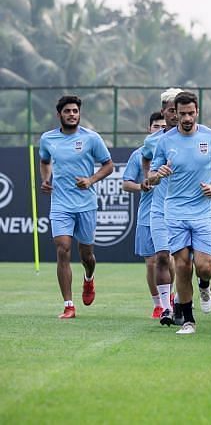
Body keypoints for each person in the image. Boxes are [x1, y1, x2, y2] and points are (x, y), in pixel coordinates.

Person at [150, 91, 211, 334]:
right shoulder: (165, 141)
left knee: (204, 267)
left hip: (202, 212)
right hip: (174, 211)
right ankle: (188, 320)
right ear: (175, 112)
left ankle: (205, 285)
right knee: (182, 265)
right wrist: (158, 175)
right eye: (181, 113)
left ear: (197, 112)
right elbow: (151, 177)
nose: (186, 118)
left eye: (190, 113)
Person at [39, 95, 113, 319]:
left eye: (75, 111)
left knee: (87, 255)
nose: (72, 114)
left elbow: (108, 165)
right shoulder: (48, 138)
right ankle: (69, 305)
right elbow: (44, 161)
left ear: (79, 114)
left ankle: (89, 278)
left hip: (86, 204)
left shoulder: (91, 138)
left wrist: (90, 180)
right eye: (68, 111)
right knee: (63, 249)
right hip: (61, 203)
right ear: (59, 114)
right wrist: (46, 179)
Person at [141, 88, 182, 326]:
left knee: (185, 261)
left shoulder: (195, 137)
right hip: (159, 207)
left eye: (179, 110)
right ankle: (166, 307)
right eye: (171, 110)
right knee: (162, 257)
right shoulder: (153, 141)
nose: (175, 115)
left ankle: (180, 298)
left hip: (186, 207)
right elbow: (146, 158)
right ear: (164, 111)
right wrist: (150, 176)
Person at [122, 111, 168, 318]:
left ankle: (172, 300)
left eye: (163, 127)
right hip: (147, 215)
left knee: (168, 260)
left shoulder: (174, 150)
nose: (159, 130)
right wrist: (141, 186)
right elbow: (126, 183)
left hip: (170, 214)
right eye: (156, 127)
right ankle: (158, 304)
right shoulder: (139, 154)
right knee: (151, 263)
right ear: (149, 130)